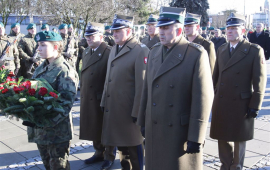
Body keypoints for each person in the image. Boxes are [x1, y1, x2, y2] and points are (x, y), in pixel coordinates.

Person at [137, 7, 214, 170]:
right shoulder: (154, 52)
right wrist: (142, 120)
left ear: (179, 30)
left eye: (166, 28)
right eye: (160, 28)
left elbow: (203, 98)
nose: (161, 32)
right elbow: (147, 89)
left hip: (179, 132)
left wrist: (196, 136)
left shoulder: (195, 54)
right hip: (155, 126)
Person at [210, 13, 267, 170]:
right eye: (228, 28)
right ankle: (225, 165)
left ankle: (237, 167)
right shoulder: (221, 49)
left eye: (234, 28)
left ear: (243, 30)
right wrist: (211, 99)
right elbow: (215, 77)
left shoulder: (253, 51)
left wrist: (255, 105)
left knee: (239, 139)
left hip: (241, 103)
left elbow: (259, 82)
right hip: (221, 101)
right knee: (222, 137)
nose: (229, 31)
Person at [23, 30, 78, 170]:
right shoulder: (41, 67)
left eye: (42, 45)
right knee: (47, 165)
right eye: (38, 45)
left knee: (59, 166)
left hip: (56, 132)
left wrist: (45, 121)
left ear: (55, 47)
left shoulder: (64, 70)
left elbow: (65, 104)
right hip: (41, 130)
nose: (38, 49)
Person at [100, 14, 149, 170]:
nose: (114, 34)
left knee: (134, 146)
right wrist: (103, 101)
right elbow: (108, 78)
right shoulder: (115, 48)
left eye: (118, 31)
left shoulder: (140, 50)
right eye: (113, 31)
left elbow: (142, 85)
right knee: (122, 147)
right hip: (114, 106)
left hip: (129, 110)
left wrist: (138, 112)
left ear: (129, 31)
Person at [79, 22, 116, 170]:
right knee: (93, 126)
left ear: (101, 36)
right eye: (87, 36)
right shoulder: (86, 51)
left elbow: (112, 76)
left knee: (106, 127)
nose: (88, 38)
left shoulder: (109, 51)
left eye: (92, 35)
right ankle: (98, 152)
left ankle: (109, 156)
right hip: (88, 95)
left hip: (102, 96)